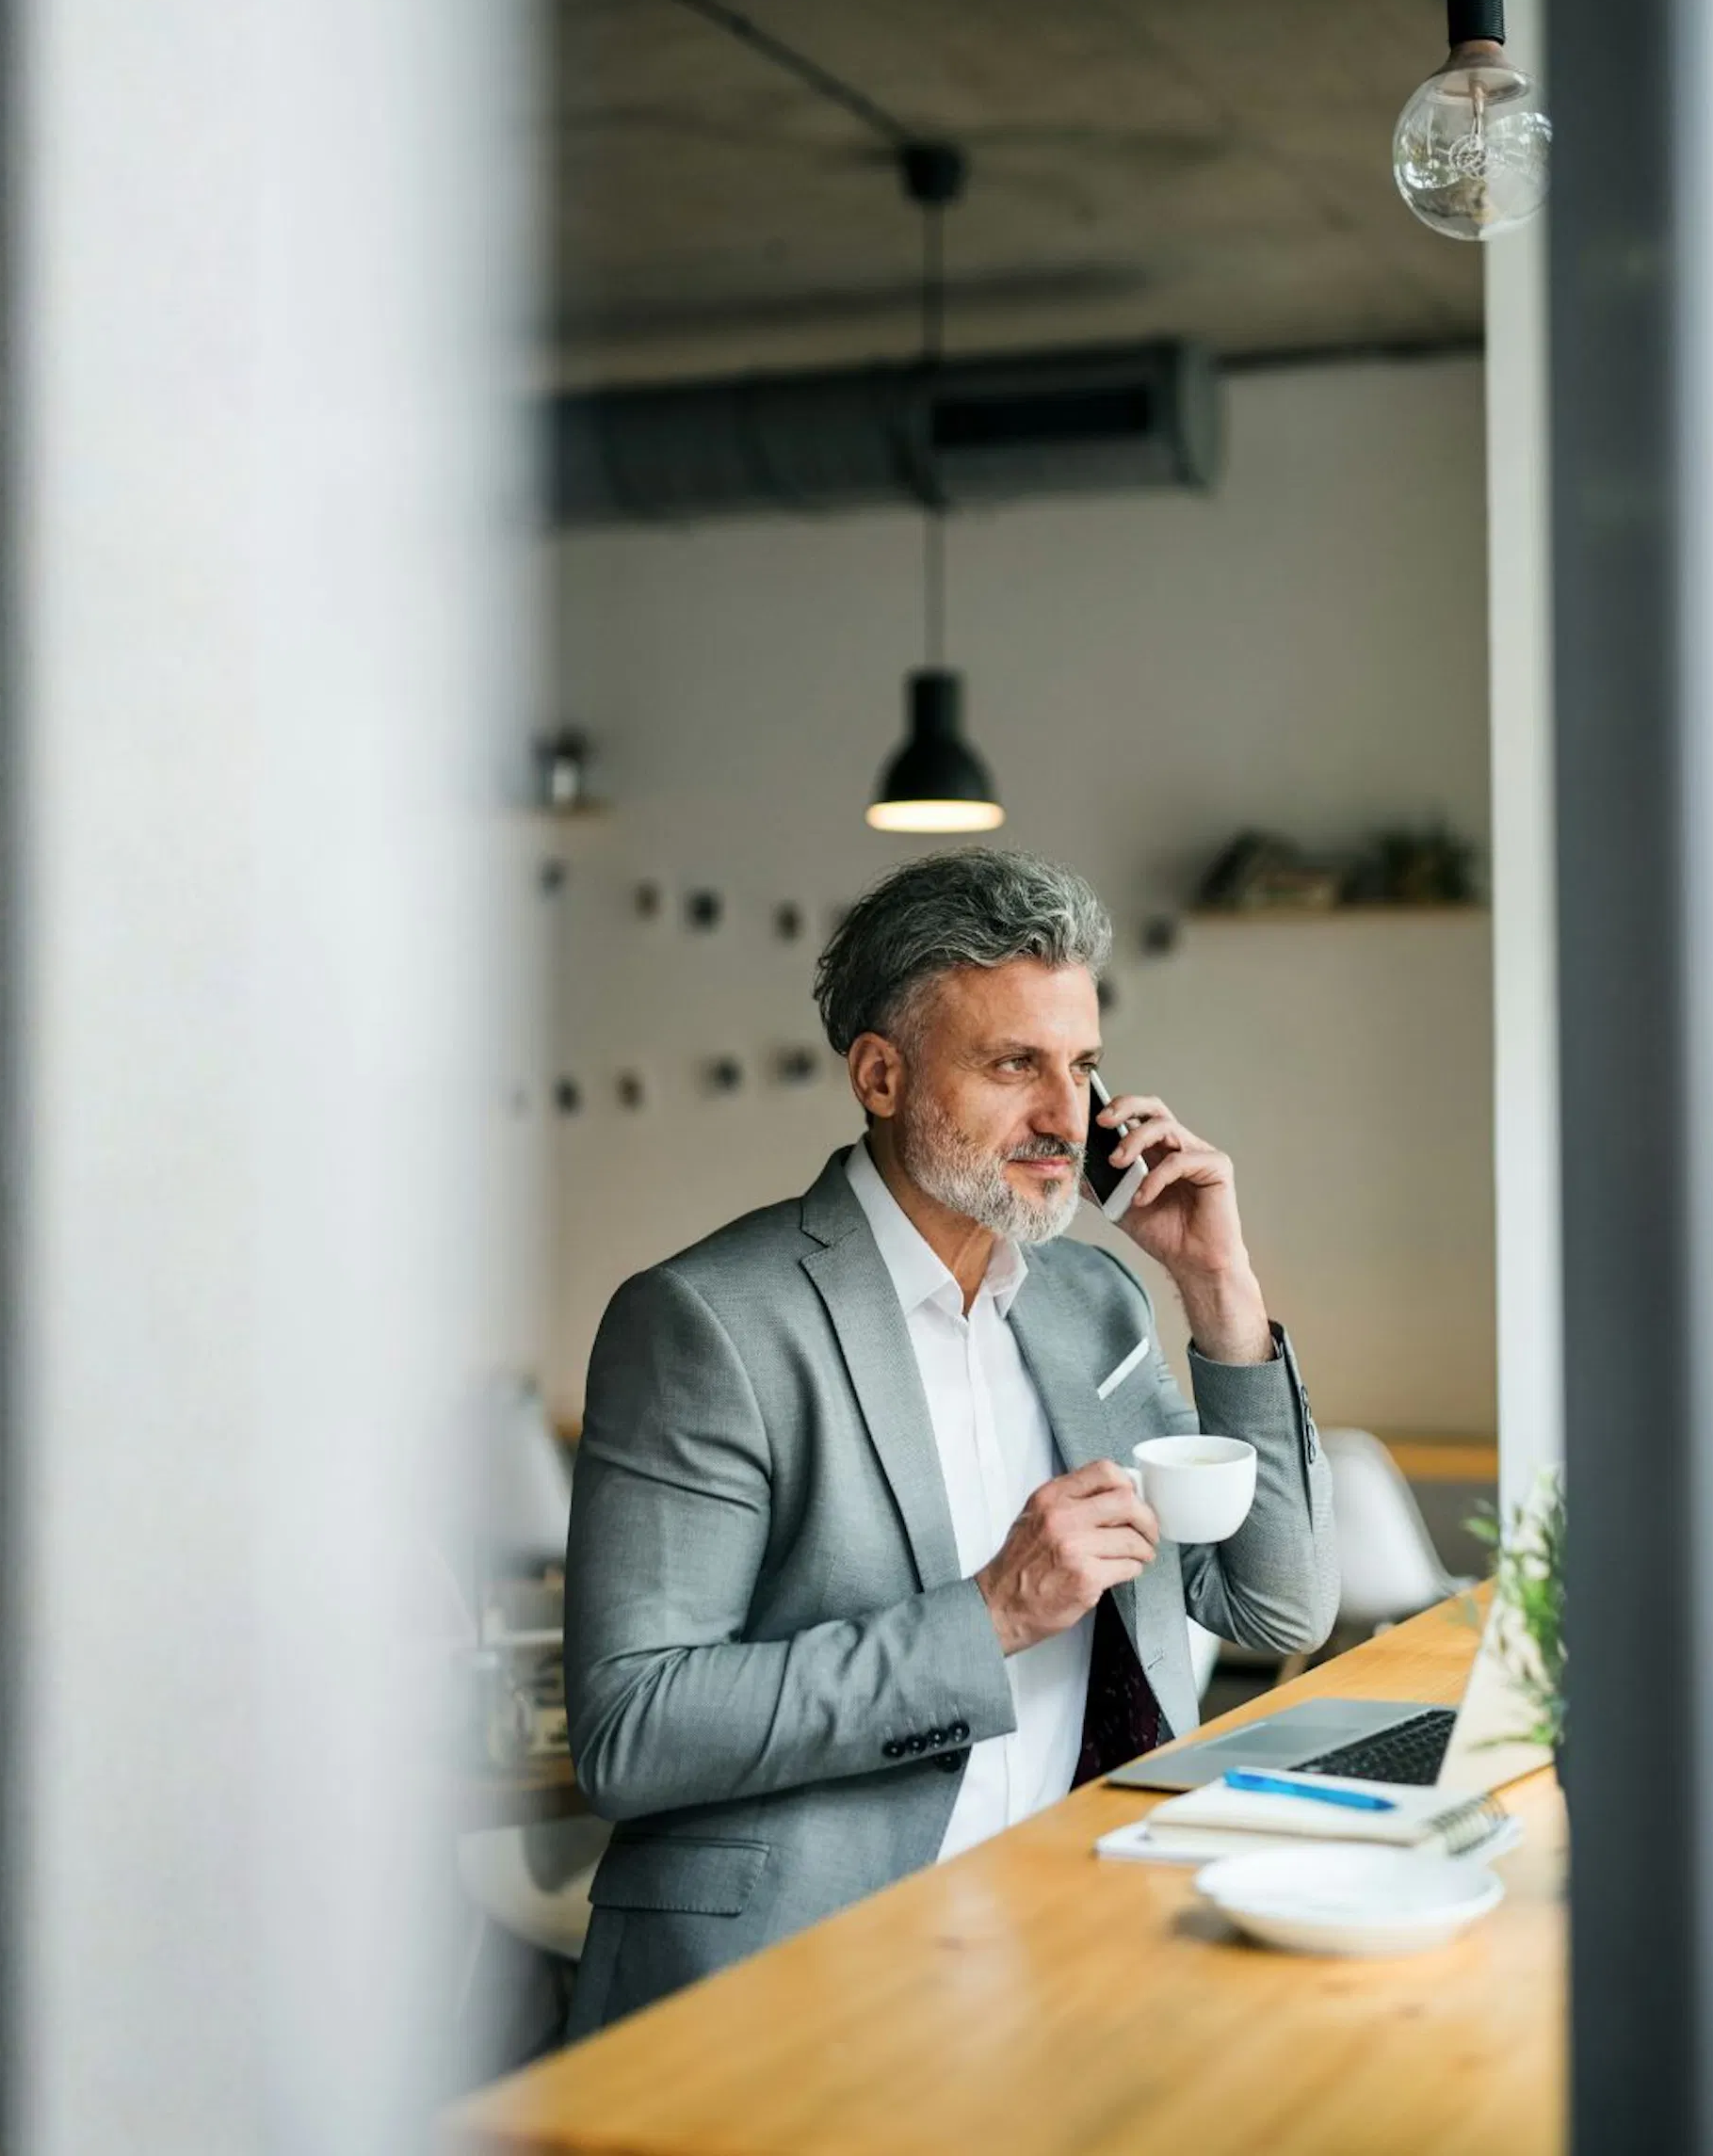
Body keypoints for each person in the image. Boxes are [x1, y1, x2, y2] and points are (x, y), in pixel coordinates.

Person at [560, 848, 1338, 2036]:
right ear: (881, 1074)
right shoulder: (707, 1322)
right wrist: (988, 1621)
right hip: (808, 1984)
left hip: (1091, 1947)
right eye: (1012, 1064)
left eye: (1080, 1064)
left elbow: (1279, 1607)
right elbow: (632, 1727)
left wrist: (1219, 1292)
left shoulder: (1097, 1302)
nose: (1064, 1115)